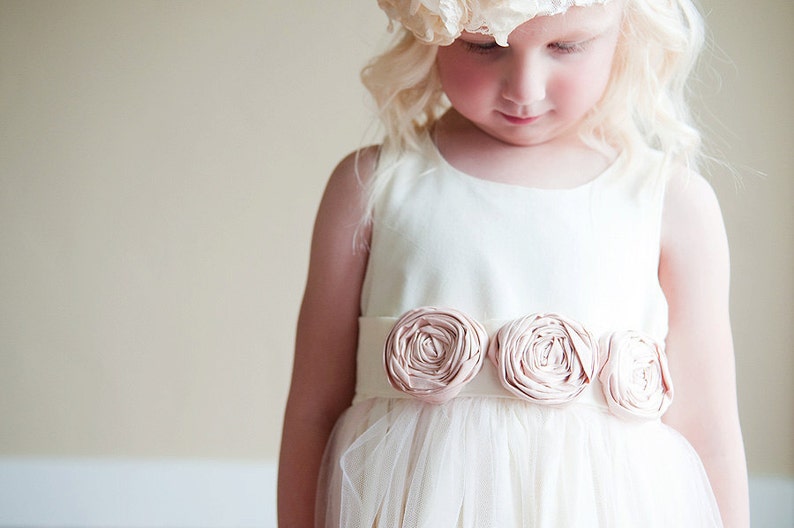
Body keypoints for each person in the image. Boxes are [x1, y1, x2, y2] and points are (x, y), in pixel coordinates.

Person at [278, 0, 749, 526]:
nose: (524, 89)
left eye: (565, 47)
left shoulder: (671, 200)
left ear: (627, 30)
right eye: (483, 46)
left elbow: (710, 432)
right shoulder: (373, 186)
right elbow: (314, 411)